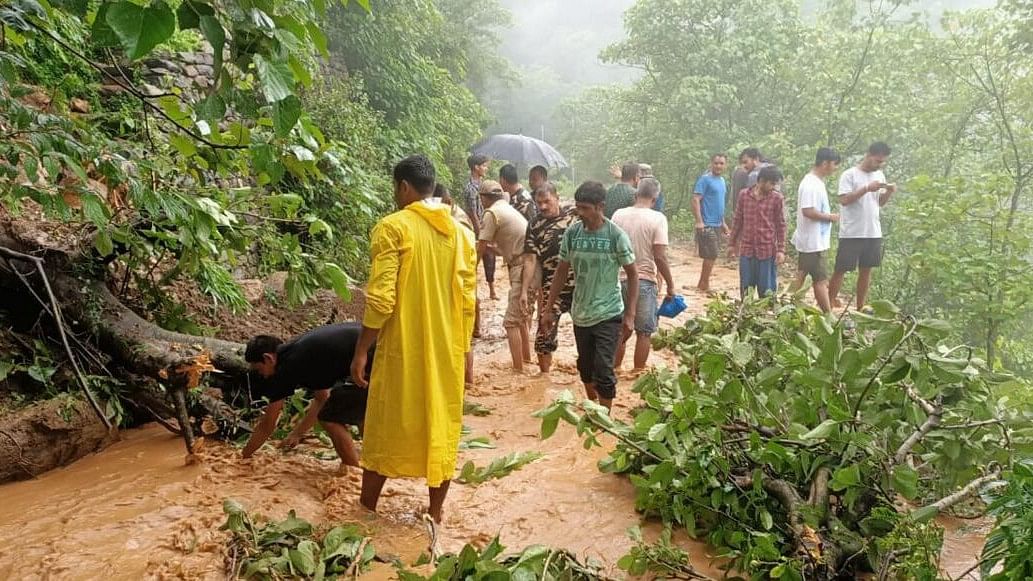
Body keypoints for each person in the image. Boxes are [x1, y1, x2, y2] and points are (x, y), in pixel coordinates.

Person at [349, 154, 477, 523]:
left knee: (386, 425)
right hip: (446, 351)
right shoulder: (461, 234)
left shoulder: (393, 227)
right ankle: (435, 514)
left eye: (395, 188)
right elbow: (468, 300)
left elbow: (381, 298)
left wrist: (361, 350)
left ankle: (366, 513)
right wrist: (464, 352)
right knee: (442, 425)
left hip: (402, 348)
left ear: (403, 187)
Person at [542, 181, 638, 411]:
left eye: (585, 208)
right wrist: (548, 309)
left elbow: (633, 275)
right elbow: (561, 271)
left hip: (609, 312)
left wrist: (630, 315)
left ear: (600, 206)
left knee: (604, 369)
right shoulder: (573, 234)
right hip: (581, 313)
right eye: (578, 208)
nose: (580, 214)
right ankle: (593, 408)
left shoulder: (616, 235)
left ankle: (605, 418)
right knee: (585, 367)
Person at [242, 323, 374, 471]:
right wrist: (296, 434)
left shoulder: (287, 367)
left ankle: (352, 475)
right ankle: (374, 466)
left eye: (260, 370)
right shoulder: (301, 354)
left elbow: (267, 424)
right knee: (361, 414)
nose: (263, 376)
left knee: (330, 418)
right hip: (381, 351)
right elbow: (322, 398)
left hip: (372, 358)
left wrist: (243, 458)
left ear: (268, 358)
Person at [612, 177, 676, 371]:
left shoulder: (618, 215)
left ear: (635, 194)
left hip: (617, 280)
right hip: (644, 282)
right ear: (655, 199)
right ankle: (638, 372)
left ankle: (613, 371)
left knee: (619, 329)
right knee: (644, 332)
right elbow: (660, 256)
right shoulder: (658, 218)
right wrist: (671, 285)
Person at [828, 142, 897, 310]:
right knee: (841, 269)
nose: (879, 164)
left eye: (882, 162)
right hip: (852, 231)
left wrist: (888, 192)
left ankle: (860, 306)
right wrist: (866, 188)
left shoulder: (880, 175)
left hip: (873, 230)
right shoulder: (849, 174)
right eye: (877, 161)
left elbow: (879, 203)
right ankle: (828, 302)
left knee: (866, 270)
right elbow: (844, 200)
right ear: (868, 155)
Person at [520, 181, 576, 373]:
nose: (543, 206)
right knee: (544, 338)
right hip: (551, 290)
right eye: (539, 203)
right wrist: (525, 291)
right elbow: (530, 259)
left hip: (581, 288)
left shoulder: (575, 216)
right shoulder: (535, 224)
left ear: (557, 198)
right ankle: (544, 380)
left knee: (588, 335)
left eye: (547, 201)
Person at [478, 179, 531, 372]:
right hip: (528, 266)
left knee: (510, 322)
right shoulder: (507, 209)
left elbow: (481, 246)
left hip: (522, 268)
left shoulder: (492, 213)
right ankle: (527, 360)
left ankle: (518, 371)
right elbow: (506, 246)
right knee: (521, 318)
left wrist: (469, 270)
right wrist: (494, 250)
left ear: (484, 198)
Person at [788, 148, 841, 312]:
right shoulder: (811, 184)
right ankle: (827, 314)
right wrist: (830, 217)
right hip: (813, 241)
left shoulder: (816, 182)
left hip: (813, 240)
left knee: (803, 274)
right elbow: (808, 211)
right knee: (819, 280)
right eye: (834, 165)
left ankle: (786, 303)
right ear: (825, 163)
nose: (835, 168)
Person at [434, 183, 475, 386]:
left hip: (457, 288)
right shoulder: (448, 219)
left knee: (462, 339)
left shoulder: (457, 224)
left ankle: (467, 381)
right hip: (456, 287)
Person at [728, 166, 786, 298]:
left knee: (767, 291)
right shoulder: (744, 195)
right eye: (772, 183)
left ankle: (765, 316)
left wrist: (781, 250)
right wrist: (731, 244)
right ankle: (746, 314)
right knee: (746, 288)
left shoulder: (776, 199)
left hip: (767, 251)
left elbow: (780, 225)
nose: (773, 187)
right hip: (747, 250)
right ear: (762, 181)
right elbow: (737, 221)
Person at [692, 153, 729, 292]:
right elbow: (696, 199)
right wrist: (699, 221)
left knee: (712, 255)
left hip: (717, 223)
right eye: (716, 163)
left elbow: (719, 204)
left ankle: (702, 283)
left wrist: (723, 223)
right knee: (711, 255)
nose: (718, 166)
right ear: (711, 164)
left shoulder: (722, 181)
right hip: (707, 223)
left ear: (725, 165)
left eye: (721, 163)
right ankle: (704, 284)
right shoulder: (705, 180)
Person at [464, 154, 497, 301]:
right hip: (475, 227)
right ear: (476, 167)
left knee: (490, 257)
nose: (486, 168)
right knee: (475, 258)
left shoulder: (484, 184)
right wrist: (479, 230)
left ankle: (492, 289)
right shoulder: (470, 188)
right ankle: (473, 289)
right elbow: (471, 211)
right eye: (483, 165)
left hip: (486, 223)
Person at [731, 148, 759, 214]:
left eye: (745, 162)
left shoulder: (754, 174)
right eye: (742, 163)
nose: (744, 166)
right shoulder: (771, 169)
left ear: (756, 159)